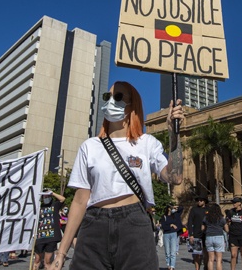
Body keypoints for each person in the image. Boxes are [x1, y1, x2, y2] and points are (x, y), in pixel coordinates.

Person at [49, 81, 184, 270]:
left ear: (133, 106)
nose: (111, 101)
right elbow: (80, 201)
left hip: (135, 224)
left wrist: (174, 135)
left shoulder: (147, 143)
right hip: (94, 225)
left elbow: (174, 177)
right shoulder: (90, 146)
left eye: (118, 97)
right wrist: (61, 254)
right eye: (108, 97)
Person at [34, 189, 65, 270]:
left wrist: (53, 193)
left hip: (51, 237)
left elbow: (62, 199)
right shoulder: (39, 207)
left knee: (47, 261)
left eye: (48, 196)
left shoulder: (55, 205)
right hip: (40, 237)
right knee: (37, 260)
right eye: (45, 196)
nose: (46, 198)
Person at [226, 197, 242, 270]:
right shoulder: (231, 212)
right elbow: (227, 222)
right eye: (233, 202)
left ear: (239, 203)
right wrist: (228, 229)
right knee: (233, 255)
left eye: (235, 202)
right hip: (233, 236)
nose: (233, 204)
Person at [202, 203, 228, 270]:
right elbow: (227, 230)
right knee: (219, 260)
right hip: (219, 237)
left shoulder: (206, 218)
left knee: (210, 259)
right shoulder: (221, 218)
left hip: (209, 237)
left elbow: (202, 228)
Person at [188, 193, 210, 270]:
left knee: (206, 253)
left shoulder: (208, 209)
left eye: (201, 200)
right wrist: (191, 234)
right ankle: (197, 268)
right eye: (198, 200)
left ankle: (206, 267)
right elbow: (190, 222)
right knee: (197, 254)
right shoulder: (194, 209)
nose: (199, 202)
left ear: (204, 201)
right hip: (196, 234)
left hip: (207, 234)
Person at [161, 204, 184, 270]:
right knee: (167, 252)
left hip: (174, 234)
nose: (173, 209)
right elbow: (164, 226)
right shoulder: (164, 216)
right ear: (168, 208)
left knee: (173, 252)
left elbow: (181, 208)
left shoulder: (175, 215)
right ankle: (168, 265)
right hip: (166, 234)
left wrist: (175, 206)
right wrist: (171, 225)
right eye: (171, 207)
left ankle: (172, 267)